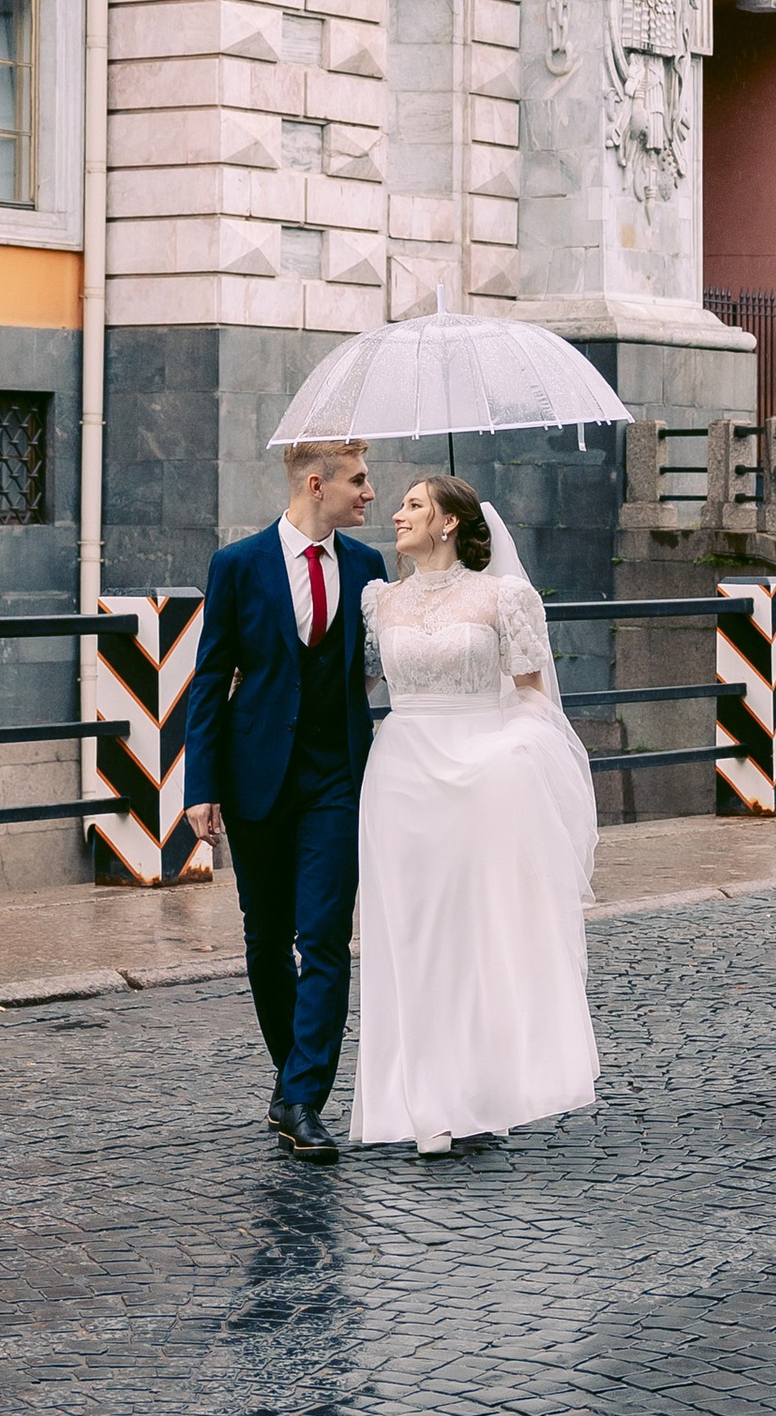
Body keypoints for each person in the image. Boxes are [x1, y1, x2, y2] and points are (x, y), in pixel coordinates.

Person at [353, 473, 599, 1157]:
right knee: (412, 938)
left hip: (479, 772)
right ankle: (423, 1100)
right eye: (399, 502)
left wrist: (509, 749)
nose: (396, 513)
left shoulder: (503, 597)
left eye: (413, 504)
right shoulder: (379, 603)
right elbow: (359, 686)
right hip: (401, 777)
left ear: (449, 522)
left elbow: (532, 696)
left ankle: (481, 1088)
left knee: (474, 936)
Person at [183, 438, 387, 1163]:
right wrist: (199, 786)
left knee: (325, 936)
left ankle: (303, 1098)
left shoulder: (368, 568)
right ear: (315, 483)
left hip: (337, 777)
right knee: (267, 940)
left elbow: (373, 671)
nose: (369, 493)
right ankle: (290, 1076)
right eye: (358, 480)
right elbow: (210, 679)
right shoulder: (237, 565)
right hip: (256, 776)